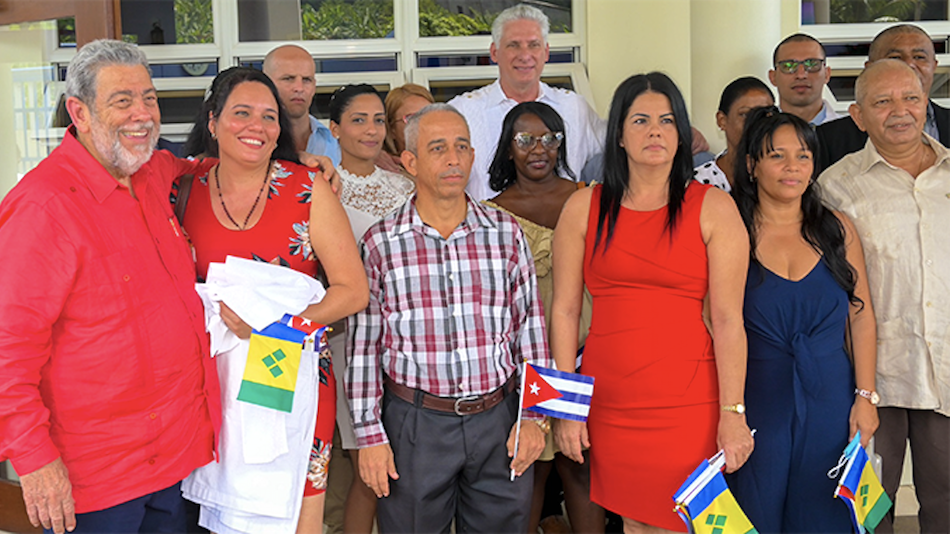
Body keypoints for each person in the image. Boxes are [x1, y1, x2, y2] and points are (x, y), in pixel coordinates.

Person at [0, 39, 219, 534]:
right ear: (78, 111)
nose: (143, 115)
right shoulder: (43, 207)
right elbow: (7, 350)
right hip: (96, 480)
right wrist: (35, 461)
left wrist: (291, 170)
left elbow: (203, 170)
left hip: (176, 459)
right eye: (122, 101)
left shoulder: (151, 169)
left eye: (149, 98)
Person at [551, 72, 754, 533]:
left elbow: (727, 320)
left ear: (682, 134)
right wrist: (566, 409)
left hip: (690, 402)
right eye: (640, 120)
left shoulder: (713, 208)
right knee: (634, 523)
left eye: (666, 120)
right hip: (611, 401)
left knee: (690, 523)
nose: (655, 131)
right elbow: (563, 311)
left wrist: (733, 412)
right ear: (619, 134)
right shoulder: (584, 207)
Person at [176, 67, 368, 534]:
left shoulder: (307, 187)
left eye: (269, 117)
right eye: (242, 113)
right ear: (213, 119)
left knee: (291, 508)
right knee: (227, 509)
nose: (256, 127)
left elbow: (352, 290)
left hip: (286, 365)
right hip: (212, 380)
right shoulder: (184, 186)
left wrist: (272, 324)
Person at [346, 103, 553, 533]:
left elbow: (531, 332)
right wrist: (370, 437)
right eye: (438, 148)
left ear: (474, 156)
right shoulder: (381, 243)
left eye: (462, 147)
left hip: (498, 419)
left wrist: (534, 417)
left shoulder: (505, 233)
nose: (453, 158)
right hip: (416, 424)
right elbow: (364, 349)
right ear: (410, 162)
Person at [728, 107, 878, 533]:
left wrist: (865, 397)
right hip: (757, 398)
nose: (792, 167)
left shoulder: (837, 229)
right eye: (777, 156)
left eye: (803, 155)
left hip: (832, 399)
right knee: (756, 511)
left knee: (825, 513)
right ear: (753, 165)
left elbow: (861, 318)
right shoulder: (732, 229)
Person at [819, 58, 950, 534]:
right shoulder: (835, 187)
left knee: (947, 505)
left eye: (911, 98)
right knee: (869, 512)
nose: (900, 111)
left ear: (926, 104)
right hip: (873, 380)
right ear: (858, 116)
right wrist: (858, 389)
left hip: (946, 372)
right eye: (883, 101)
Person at [484, 101, 603, 534]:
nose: (539, 149)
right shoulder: (488, 213)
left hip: (585, 352)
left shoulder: (589, 198)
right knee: (529, 466)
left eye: (549, 139)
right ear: (507, 147)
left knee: (580, 462)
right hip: (524, 361)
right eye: (525, 139)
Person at [325, 84, 414, 534]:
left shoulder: (406, 184)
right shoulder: (322, 188)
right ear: (334, 128)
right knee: (368, 467)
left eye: (379, 119)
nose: (372, 130)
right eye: (358, 120)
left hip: (409, 343)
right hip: (351, 340)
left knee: (405, 466)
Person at [448, 4, 605, 201]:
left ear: (546, 52)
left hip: (564, 228)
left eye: (534, 45)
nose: (524, 55)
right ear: (494, 52)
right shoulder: (463, 111)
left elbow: (616, 149)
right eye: (513, 45)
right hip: (486, 230)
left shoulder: (574, 108)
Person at [816, 24, 950, 171]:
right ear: (869, 67)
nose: (909, 64)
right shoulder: (831, 138)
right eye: (895, 58)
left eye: (919, 57)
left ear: (934, 65)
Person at [263, 44, 341, 165]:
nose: (299, 88)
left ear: (314, 86)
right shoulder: (253, 140)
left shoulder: (335, 142)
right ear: (266, 84)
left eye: (306, 80)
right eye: (288, 78)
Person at [693, 77, 774, 192]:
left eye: (765, 115)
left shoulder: (784, 176)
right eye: (745, 114)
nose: (756, 123)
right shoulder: (698, 183)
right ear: (722, 120)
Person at [768, 33, 840, 126]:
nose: (801, 75)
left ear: (827, 74)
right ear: (773, 77)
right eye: (789, 66)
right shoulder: (757, 135)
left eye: (812, 65)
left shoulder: (854, 133)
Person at [376, 83, 434, 174]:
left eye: (429, 116)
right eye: (411, 118)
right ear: (391, 129)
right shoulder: (382, 171)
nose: (423, 124)